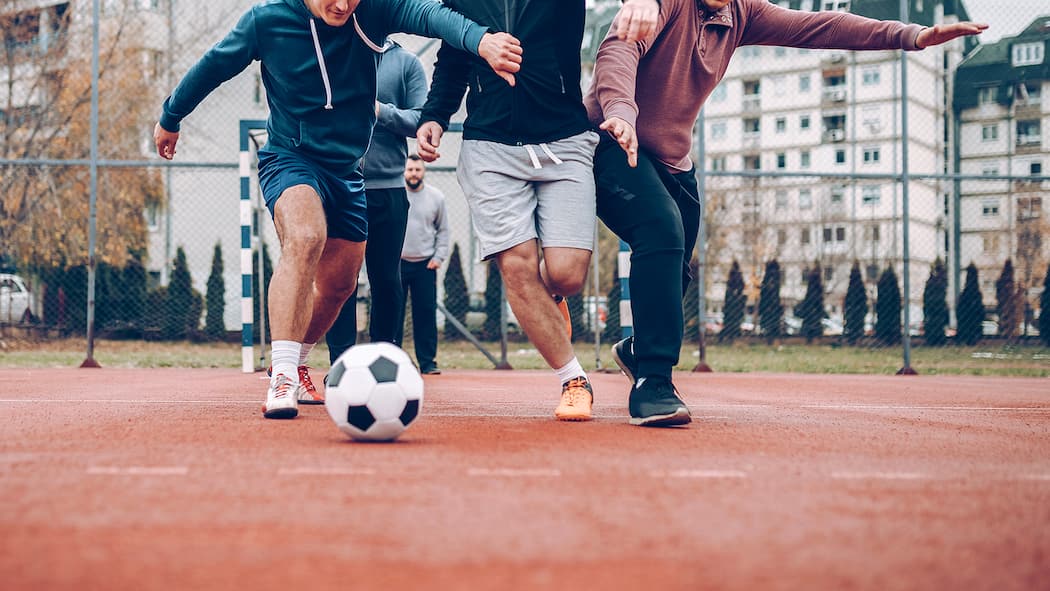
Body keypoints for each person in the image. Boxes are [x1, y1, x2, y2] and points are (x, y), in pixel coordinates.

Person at [585, 0, 986, 426]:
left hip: (671, 161)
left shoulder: (743, 13)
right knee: (661, 230)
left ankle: (639, 349)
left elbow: (822, 27)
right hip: (611, 141)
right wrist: (621, 112)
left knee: (675, 266)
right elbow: (619, 50)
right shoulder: (663, 3)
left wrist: (911, 35)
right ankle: (653, 383)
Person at [154, 0, 523, 420]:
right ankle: (282, 376)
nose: (343, 5)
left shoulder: (372, 12)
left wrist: (481, 41)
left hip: (348, 171)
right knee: (305, 236)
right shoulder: (266, 22)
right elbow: (214, 66)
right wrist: (171, 116)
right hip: (290, 158)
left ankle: (297, 360)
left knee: (338, 286)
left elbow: (431, 16)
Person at [415, 0, 659, 422]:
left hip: (563, 140)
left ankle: (549, 295)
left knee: (567, 274)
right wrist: (434, 115)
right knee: (517, 266)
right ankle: (574, 380)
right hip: (489, 145)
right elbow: (453, 57)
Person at [321, 40, 428, 399]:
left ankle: (387, 362)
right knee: (341, 280)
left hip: (389, 190)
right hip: (341, 185)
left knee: (386, 279)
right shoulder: (334, 52)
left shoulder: (406, 63)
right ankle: (339, 365)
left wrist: (379, 109)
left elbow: (420, 120)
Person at [397, 155, 449, 375]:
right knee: (393, 314)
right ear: (404, 171)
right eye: (410, 170)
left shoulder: (436, 197)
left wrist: (438, 257)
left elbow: (443, 230)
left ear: (424, 171)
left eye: (417, 170)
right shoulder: (396, 194)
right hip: (397, 264)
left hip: (425, 265)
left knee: (425, 315)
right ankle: (394, 361)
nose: (413, 174)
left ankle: (428, 363)